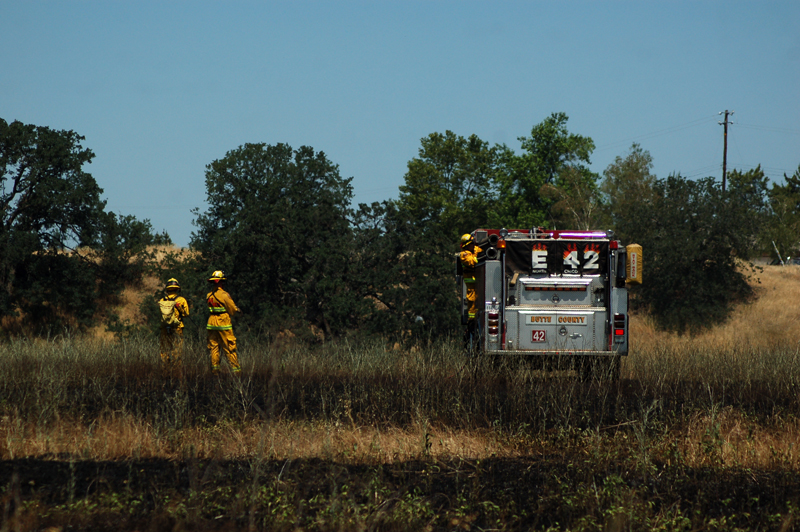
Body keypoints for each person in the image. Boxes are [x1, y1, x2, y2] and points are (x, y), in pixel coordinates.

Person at [206, 270, 241, 374]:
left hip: (211, 324)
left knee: (214, 349)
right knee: (230, 348)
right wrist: (238, 310)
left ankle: (215, 372)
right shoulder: (224, 295)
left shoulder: (209, 295)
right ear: (221, 282)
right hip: (223, 324)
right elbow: (232, 310)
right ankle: (236, 373)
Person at [158, 278, 189, 372]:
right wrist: (179, 307)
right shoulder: (181, 300)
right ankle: (176, 370)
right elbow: (186, 314)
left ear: (167, 289)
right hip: (177, 327)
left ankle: (164, 370)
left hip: (164, 328)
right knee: (177, 349)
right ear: (177, 289)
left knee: (164, 349)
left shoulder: (162, 300)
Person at [459, 233, 482, 350]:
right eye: (471, 244)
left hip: (480, 285)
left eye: (474, 243)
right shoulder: (464, 255)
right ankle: (471, 322)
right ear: (466, 245)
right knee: (472, 306)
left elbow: (481, 251)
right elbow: (473, 261)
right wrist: (478, 253)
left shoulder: (475, 250)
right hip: (472, 287)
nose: (473, 245)